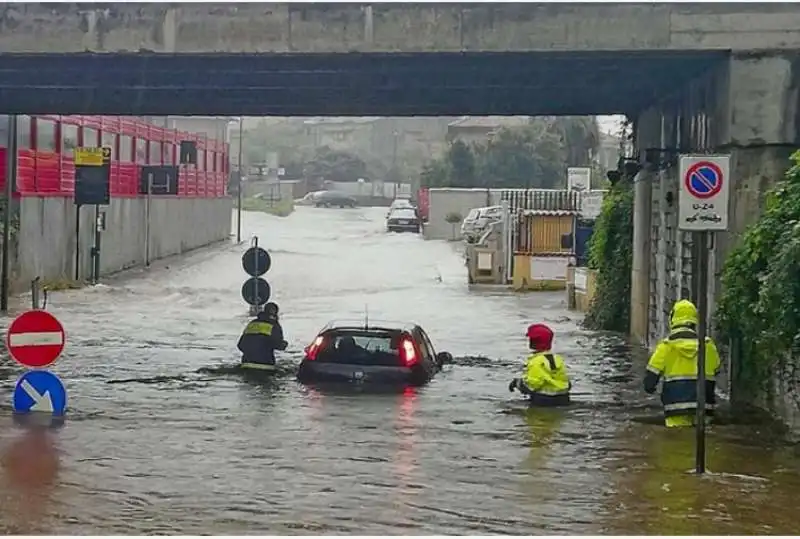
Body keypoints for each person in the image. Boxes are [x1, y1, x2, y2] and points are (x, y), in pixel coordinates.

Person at [644, 299, 721, 428]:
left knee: (676, 443)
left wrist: (652, 390)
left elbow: (649, 382)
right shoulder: (708, 345)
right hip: (703, 408)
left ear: (673, 319)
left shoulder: (666, 346)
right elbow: (717, 371)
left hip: (675, 410)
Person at [508, 323, 571, 406]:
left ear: (532, 342)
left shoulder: (535, 362)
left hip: (543, 400)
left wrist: (517, 383)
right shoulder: (558, 359)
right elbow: (566, 381)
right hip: (563, 398)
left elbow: (533, 384)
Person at [237, 302, 288, 370]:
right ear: (276, 313)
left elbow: (240, 345)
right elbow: (278, 344)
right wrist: (284, 344)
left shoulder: (252, 324)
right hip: (265, 365)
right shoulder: (274, 325)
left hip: (246, 364)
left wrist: (251, 353)